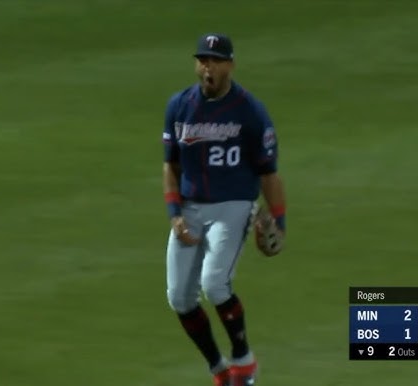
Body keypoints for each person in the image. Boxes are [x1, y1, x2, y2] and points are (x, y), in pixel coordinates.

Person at [161, 33, 287, 386]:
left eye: (215, 60)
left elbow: (269, 173)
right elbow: (170, 166)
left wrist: (280, 221)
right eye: (202, 60)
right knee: (180, 298)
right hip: (190, 206)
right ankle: (220, 369)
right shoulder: (179, 106)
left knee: (215, 285)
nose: (208, 67)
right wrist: (174, 213)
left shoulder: (249, 111)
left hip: (233, 204)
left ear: (230, 65)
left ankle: (244, 362)